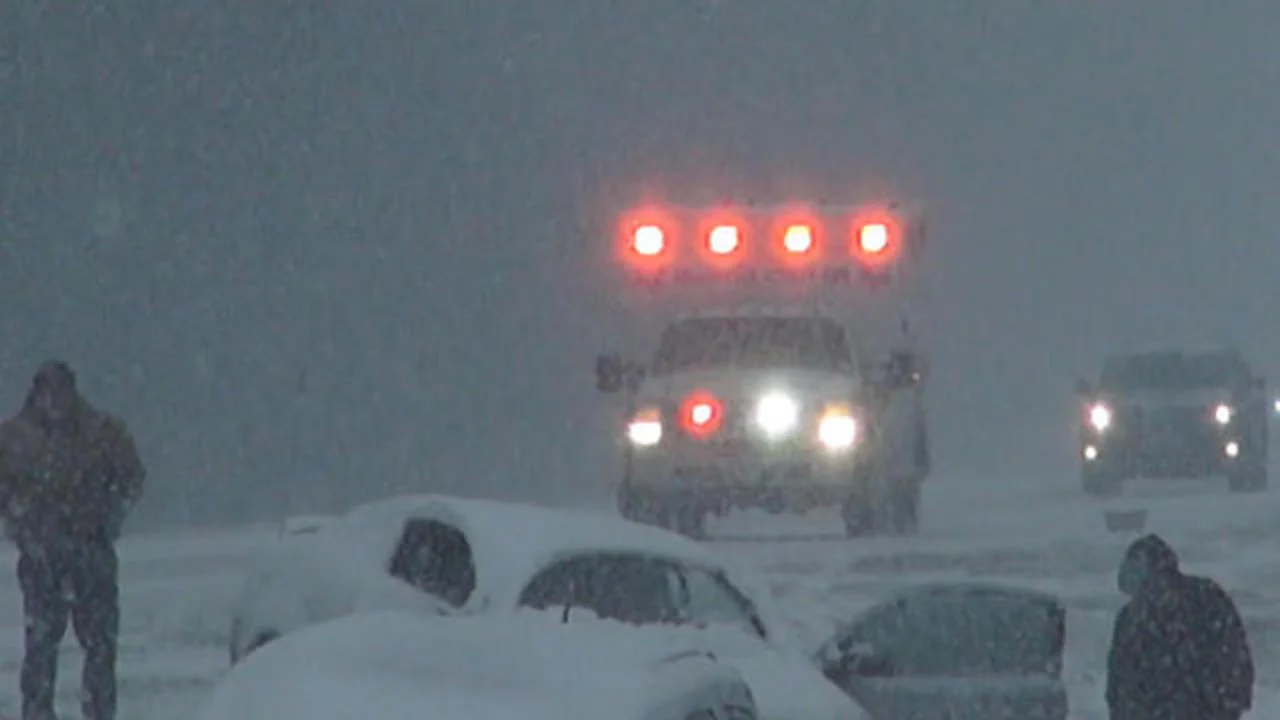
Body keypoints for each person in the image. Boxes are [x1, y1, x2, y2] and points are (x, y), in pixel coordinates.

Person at [0, 361, 146, 720]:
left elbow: (132, 478)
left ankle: (98, 713)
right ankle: (37, 714)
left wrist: (108, 517)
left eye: (60, 392)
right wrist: (19, 520)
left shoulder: (103, 433)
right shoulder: (13, 441)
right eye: (46, 393)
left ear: (72, 392)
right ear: (35, 395)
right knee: (41, 647)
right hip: (41, 558)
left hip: (91, 553)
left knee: (99, 646)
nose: (54, 402)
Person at [1106, 533, 1254, 720]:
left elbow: (1234, 658)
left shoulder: (1207, 600)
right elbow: (1119, 687)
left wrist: (1228, 704)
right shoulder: (1129, 621)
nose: (1144, 597)